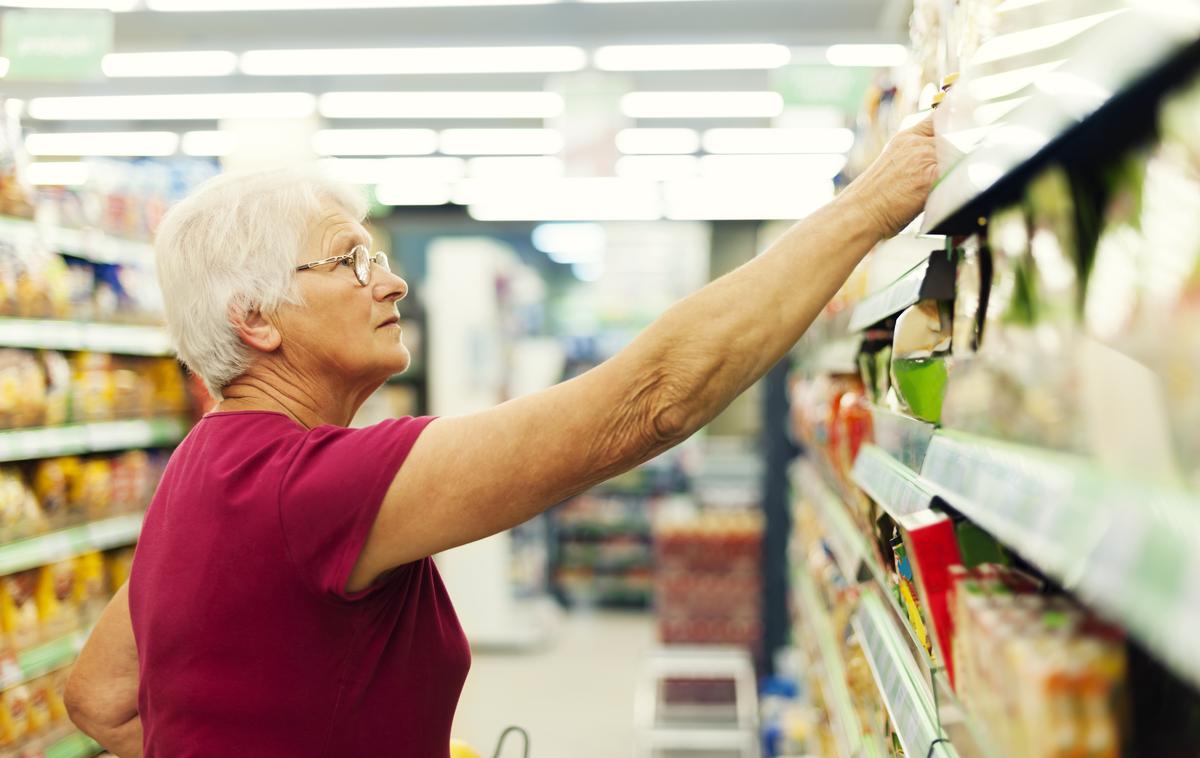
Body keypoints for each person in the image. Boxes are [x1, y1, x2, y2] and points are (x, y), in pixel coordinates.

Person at [63, 117, 936, 757]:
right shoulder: (312, 487)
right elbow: (655, 399)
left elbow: (99, 697)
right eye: (352, 261)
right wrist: (875, 203)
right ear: (254, 318)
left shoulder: (198, 472)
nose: (394, 281)